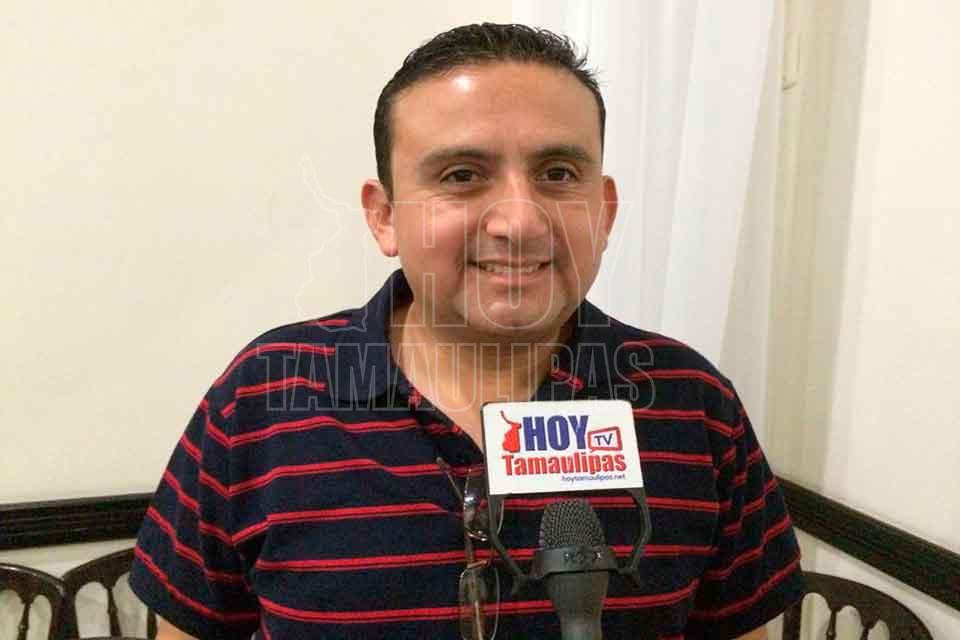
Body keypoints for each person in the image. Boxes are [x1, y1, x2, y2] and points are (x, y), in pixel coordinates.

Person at [132, 23, 804, 640]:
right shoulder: (262, 398)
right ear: (385, 216)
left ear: (603, 211)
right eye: (461, 176)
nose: (520, 221)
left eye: (558, 174)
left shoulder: (692, 404)